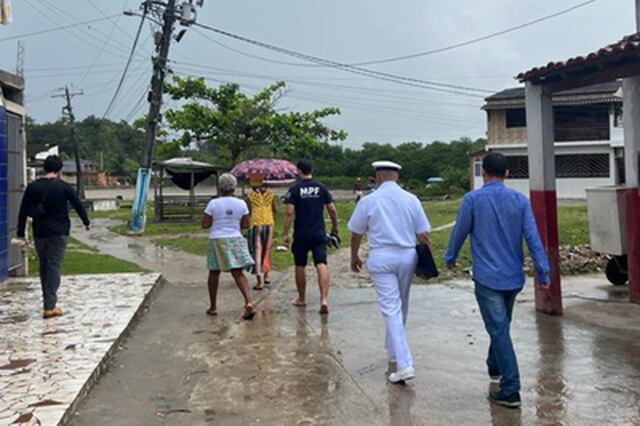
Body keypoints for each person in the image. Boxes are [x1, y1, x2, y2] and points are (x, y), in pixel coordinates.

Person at [444, 152, 550, 408]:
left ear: (483, 173)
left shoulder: (472, 200)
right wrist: (543, 271)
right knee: (501, 326)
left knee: (499, 328)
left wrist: (450, 256)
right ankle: (495, 366)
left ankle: (511, 389)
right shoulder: (520, 200)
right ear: (507, 174)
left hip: (487, 278)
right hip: (513, 278)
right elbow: (533, 238)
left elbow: (460, 230)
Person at [348, 161, 431, 383]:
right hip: (407, 256)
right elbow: (423, 235)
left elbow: (356, 233)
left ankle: (404, 364)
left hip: (381, 256)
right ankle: (393, 350)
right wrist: (428, 261)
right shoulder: (411, 200)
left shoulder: (368, 201)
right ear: (396, 176)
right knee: (401, 304)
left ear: (378, 177)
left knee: (390, 309)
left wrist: (354, 255)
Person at [17, 155, 91, 319]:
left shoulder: (33, 187)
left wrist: (21, 232)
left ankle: (48, 302)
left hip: (40, 232)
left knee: (44, 266)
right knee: (54, 266)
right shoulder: (63, 187)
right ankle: (50, 306)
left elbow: (23, 210)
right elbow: (77, 204)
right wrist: (86, 221)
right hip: (59, 232)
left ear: (44, 168)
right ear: (59, 170)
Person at [282, 159, 338, 315]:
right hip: (318, 232)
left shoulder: (294, 189)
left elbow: (289, 212)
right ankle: (324, 299)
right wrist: (335, 227)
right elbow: (332, 209)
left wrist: (285, 233)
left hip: (301, 233)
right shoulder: (321, 187)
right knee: (321, 263)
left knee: (300, 265)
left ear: (299, 171)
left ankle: (301, 298)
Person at [202, 173, 256, 320]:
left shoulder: (213, 204)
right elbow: (246, 224)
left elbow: (205, 224)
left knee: (214, 272)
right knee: (237, 272)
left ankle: (213, 306)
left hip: (217, 239)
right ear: (234, 187)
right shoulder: (241, 204)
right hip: (235, 238)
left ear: (220, 187)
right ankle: (249, 301)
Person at [245, 173, 277, 290]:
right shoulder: (271, 195)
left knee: (257, 251)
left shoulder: (249, 196)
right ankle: (266, 275)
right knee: (267, 250)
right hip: (269, 224)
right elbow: (275, 210)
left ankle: (259, 281)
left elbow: (247, 211)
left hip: (256, 224)